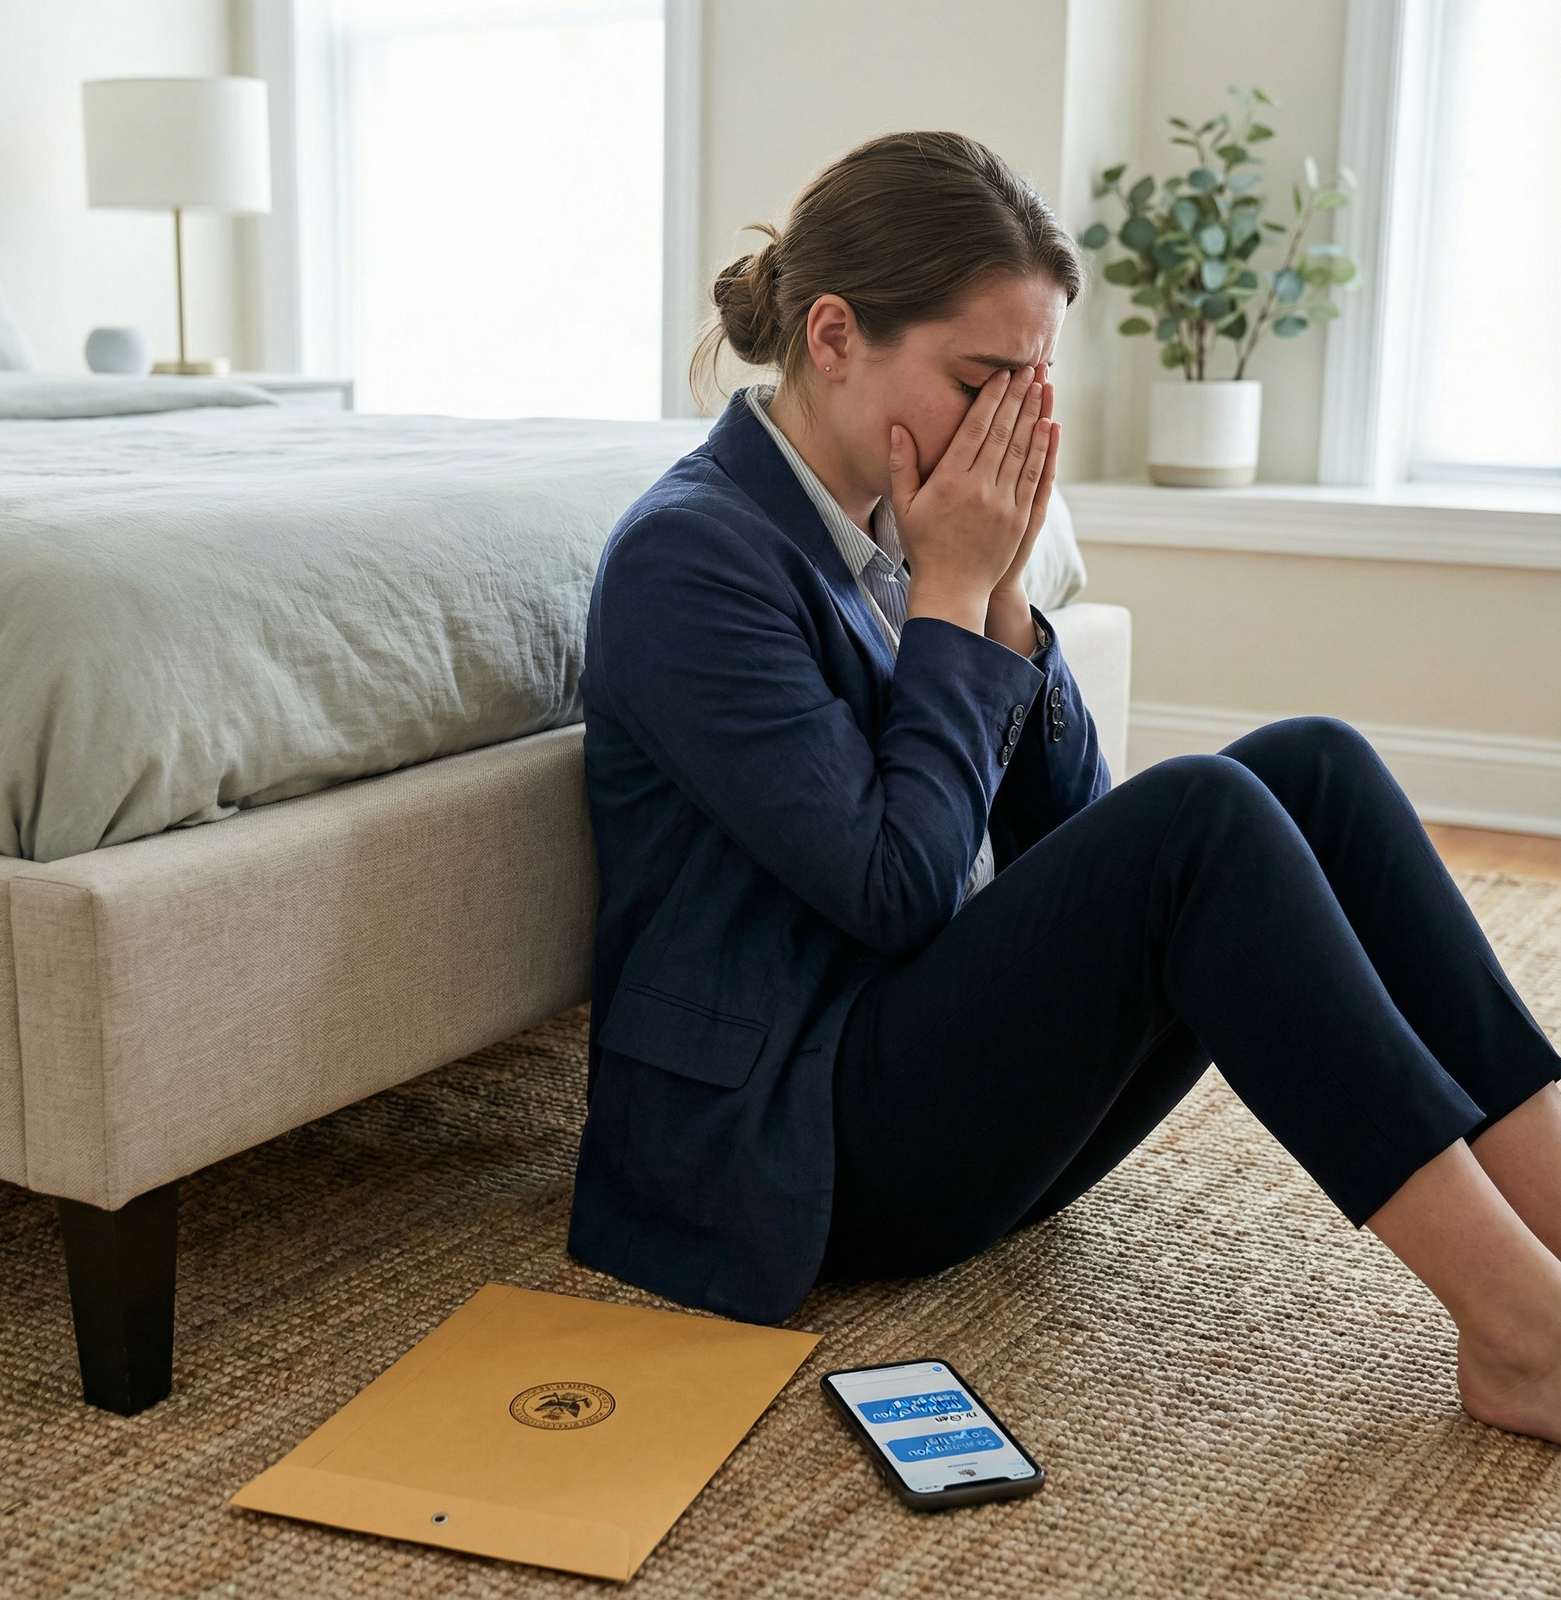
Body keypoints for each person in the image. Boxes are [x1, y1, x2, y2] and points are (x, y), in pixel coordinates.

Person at [567, 131, 1561, 1442]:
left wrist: (1009, 602)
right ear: (833, 336)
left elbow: (1082, 847)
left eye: (1033, 384)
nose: (1010, 425)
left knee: (1309, 766)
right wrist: (947, 600)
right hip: (790, 1148)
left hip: (926, 1083)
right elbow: (898, 896)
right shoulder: (692, 560)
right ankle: (1527, 1338)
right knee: (1202, 816)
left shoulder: (890, 516)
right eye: (983, 378)